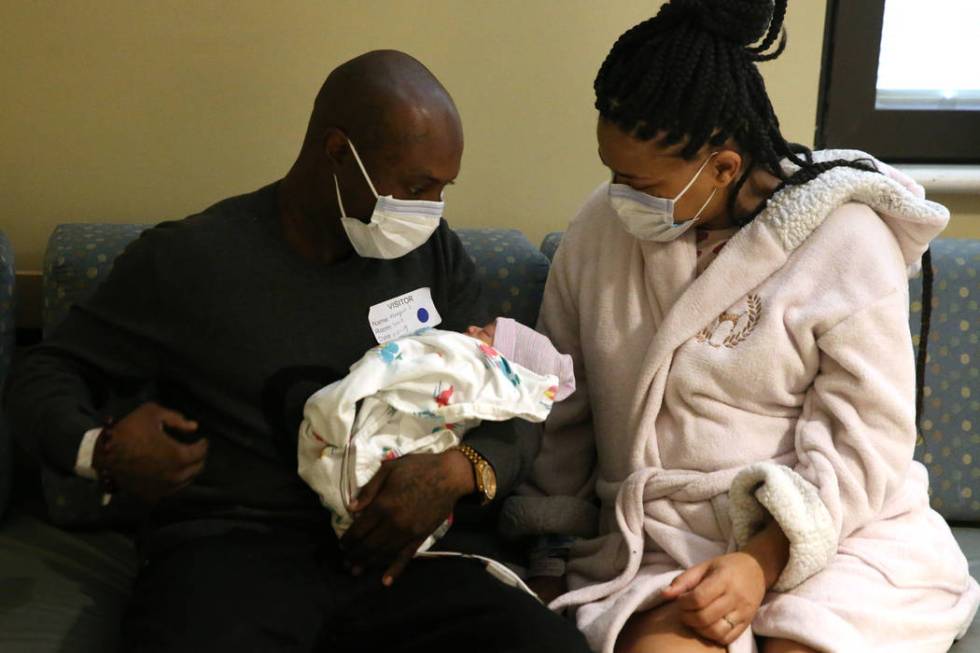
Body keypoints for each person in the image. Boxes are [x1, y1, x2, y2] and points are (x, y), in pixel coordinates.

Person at [3, 50, 590, 652]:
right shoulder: (190, 261)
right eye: (415, 187)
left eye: (442, 190)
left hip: (406, 557)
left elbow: (513, 393)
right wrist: (99, 450)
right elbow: (47, 371)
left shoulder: (433, 255)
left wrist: (456, 471)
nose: (431, 210)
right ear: (338, 152)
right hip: (232, 558)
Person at [507, 1, 980, 652]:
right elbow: (561, 407)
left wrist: (761, 560)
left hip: (838, 531)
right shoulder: (599, 231)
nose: (618, 197)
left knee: (803, 642)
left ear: (724, 167)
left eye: (637, 182)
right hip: (665, 538)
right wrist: (547, 552)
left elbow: (864, 443)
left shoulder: (844, 244)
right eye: (610, 172)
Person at [299, 316, 576, 555]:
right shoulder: (455, 345)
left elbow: (521, 427)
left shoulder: (481, 365)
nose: (470, 328)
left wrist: (459, 469)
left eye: (485, 333)